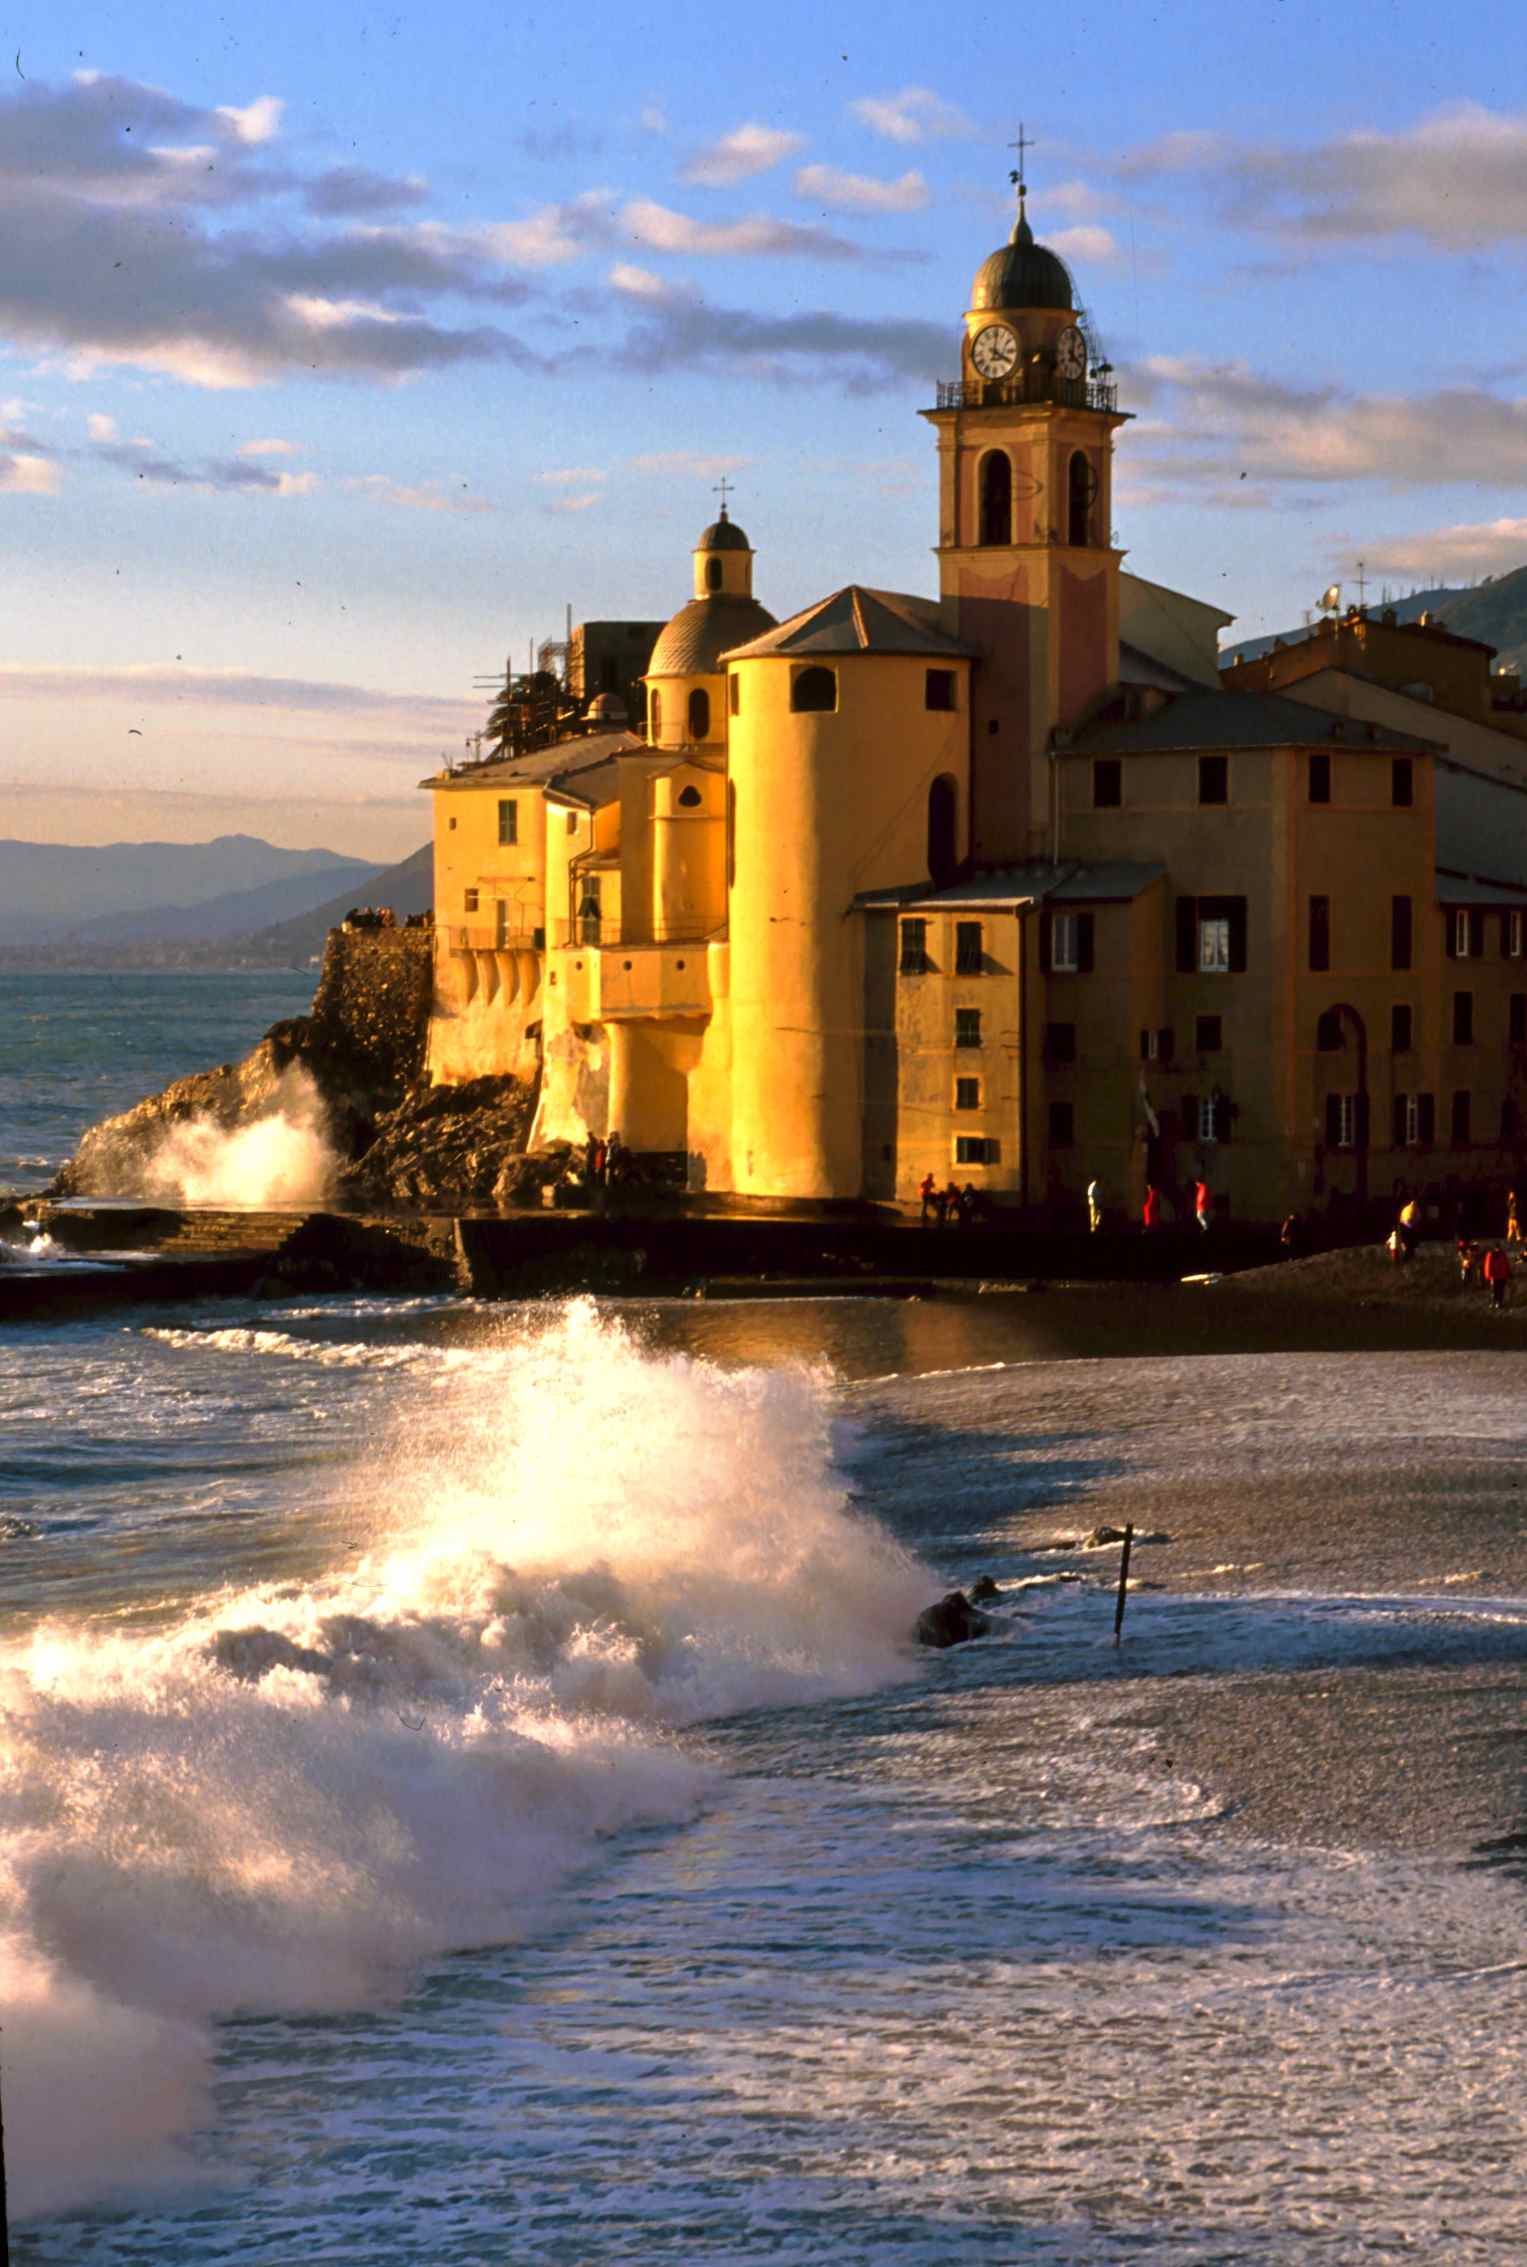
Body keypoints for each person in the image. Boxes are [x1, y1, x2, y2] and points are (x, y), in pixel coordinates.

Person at [1483, 1243, 1511, 1309]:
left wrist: (1488, 1276)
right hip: (1499, 1276)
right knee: (1498, 1290)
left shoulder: (1492, 1254)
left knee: (1496, 1290)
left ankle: (1495, 1303)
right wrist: (1508, 1273)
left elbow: (1488, 1266)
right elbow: (1505, 1264)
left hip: (1497, 1276)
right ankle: (1496, 1303)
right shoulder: (1499, 1254)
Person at [1397, 1194, 1419, 1260]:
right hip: (1406, 1226)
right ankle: (1407, 1256)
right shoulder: (1407, 1209)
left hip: (1408, 1226)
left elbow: (1418, 1218)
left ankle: (1409, 1255)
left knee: (1409, 1244)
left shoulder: (1413, 1209)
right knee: (1408, 1243)